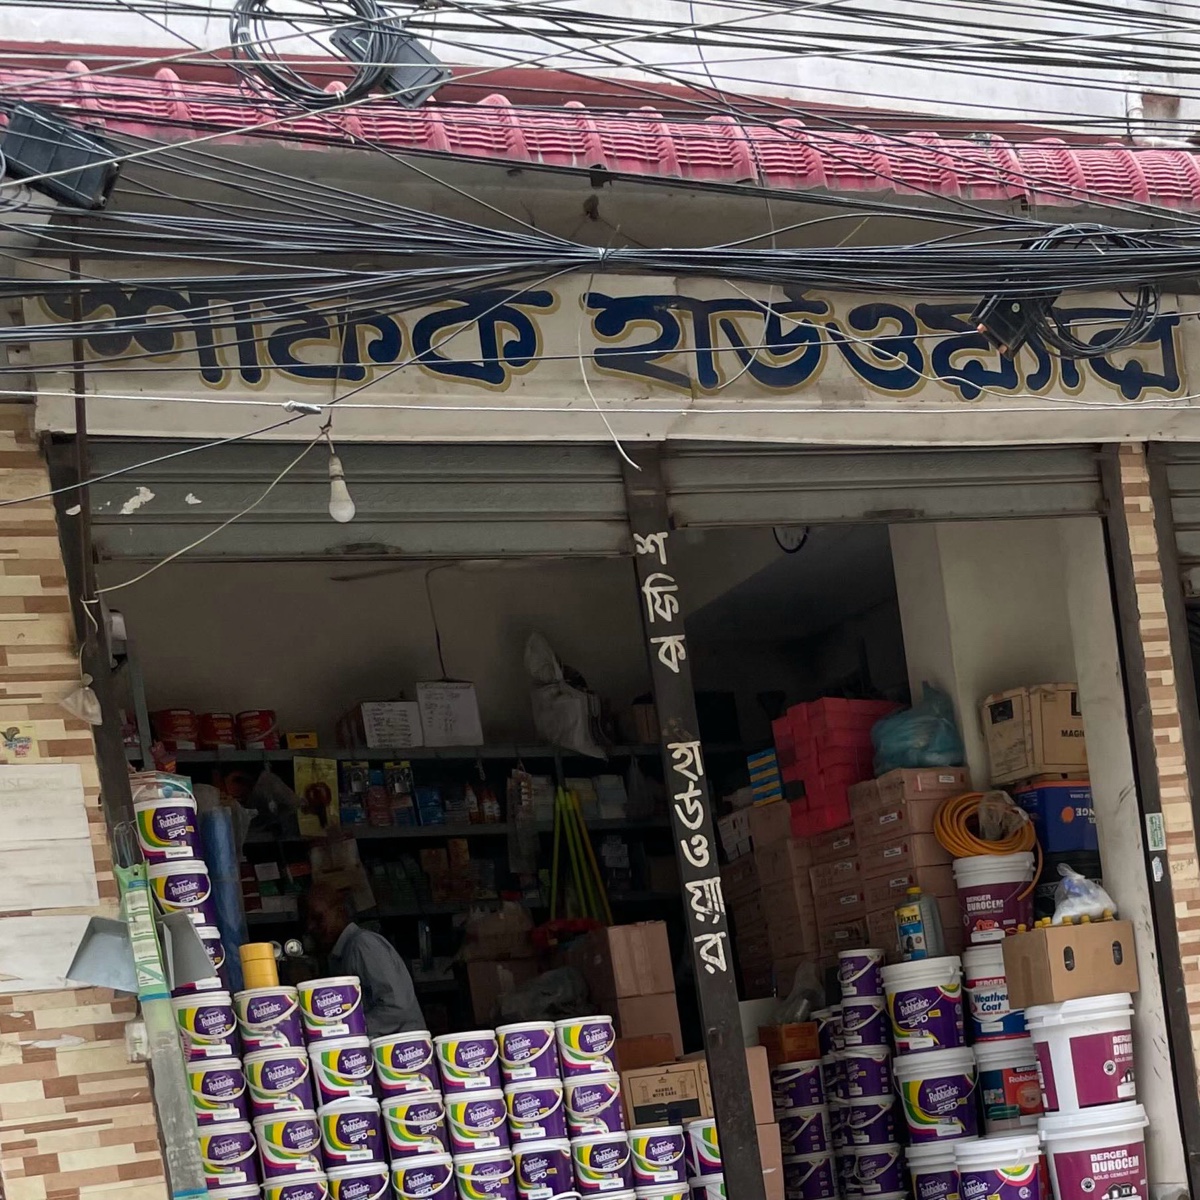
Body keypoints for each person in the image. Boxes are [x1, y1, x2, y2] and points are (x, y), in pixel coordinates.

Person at [306, 882, 425, 1036]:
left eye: (318, 918)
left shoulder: (363, 944)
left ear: (340, 912)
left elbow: (396, 1008)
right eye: (307, 921)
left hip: (404, 1049)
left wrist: (345, 1030)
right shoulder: (340, 954)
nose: (310, 927)